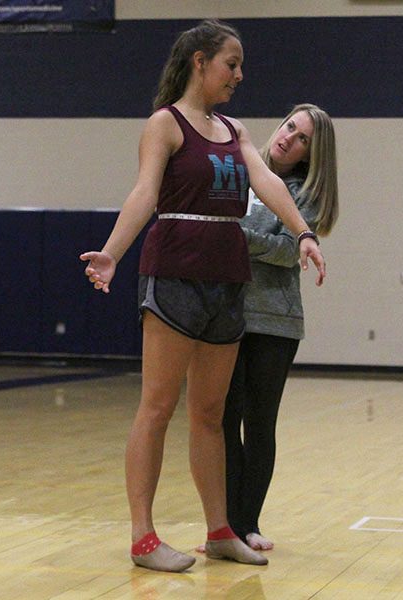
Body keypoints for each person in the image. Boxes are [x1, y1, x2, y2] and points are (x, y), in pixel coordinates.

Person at [79, 20, 326, 573]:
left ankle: (220, 531)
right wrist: (113, 252)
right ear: (199, 61)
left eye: (240, 66)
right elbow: (144, 193)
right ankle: (143, 537)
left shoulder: (235, 131)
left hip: (226, 281)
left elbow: (268, 182)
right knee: (157, 407)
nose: (238, 75)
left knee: (211, 414)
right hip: (174, 275)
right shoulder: (163, 125)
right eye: (230, 64)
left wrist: (303, 235)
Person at [224, 104, 339, 551]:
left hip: (274, 321)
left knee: (258, 421)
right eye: (291, 126)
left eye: (303, 138)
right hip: (227, 313)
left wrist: (231, 234)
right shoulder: (242, 174)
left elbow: (287, 249)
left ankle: (246, 523)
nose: (290, 137)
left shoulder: (301, 193)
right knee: (221, 420)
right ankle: (225, 526)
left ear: (311, 154)